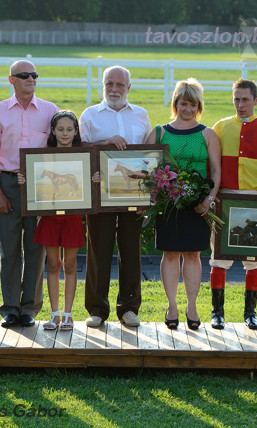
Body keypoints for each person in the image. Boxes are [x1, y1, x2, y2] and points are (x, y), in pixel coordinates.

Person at [0, 60, 59, 328]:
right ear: (11, 79)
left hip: (40, 186)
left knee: (37, 250)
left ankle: (30, 309)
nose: (30, 79)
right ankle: (10, 308)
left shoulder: (50, 111)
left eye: (34, 75)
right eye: (24, 75)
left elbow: (60, 149)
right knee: (9, 250)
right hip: (9, 183)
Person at [143, 78, 221, 330]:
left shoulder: (207, 134)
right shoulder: (159, 132)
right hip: (169, 204)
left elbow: (217, 171)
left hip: (197, 205)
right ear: (175, 103)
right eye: (183, 103)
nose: (187, 108)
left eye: (192, 104)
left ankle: (192, 306)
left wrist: (209, 199)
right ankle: (172, 306)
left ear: (199, 106)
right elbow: (145, 166)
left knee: (193, 254)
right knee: (170, 254)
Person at [209, 78, 257, 330]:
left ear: (256, 100)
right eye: (236, 99)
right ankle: (217, 312)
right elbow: (212, 164)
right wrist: (212, 195)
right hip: (226, 199)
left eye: (245, 100)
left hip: (256, 200)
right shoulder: (220, 127)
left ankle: (250, 313)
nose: (240, 105)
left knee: (253, 259)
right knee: (219, 257)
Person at [79, 66, 151, 328]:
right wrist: (106, 142)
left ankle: (129, 308)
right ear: (103, 85)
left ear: (129, 88)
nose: (114, 89)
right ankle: (97, 309)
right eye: (109, 83)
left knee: (131, 250)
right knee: (98, 249)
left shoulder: (141, 116)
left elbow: (149, 155)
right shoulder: (89, 115)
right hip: (100, 194)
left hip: (133, 194)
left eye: (120, 84)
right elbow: (78, 150)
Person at [17, 111, 100, 330]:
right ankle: (54, 314)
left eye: (69, 129)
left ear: (76, 131)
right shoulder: (42, 156)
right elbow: (34, 183)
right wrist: (25, 178)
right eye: (60, 129)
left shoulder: (85, 155)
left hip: (72, 219)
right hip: (50, 219)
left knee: (70, 266)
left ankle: (68, 314)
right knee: (53, 265)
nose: (65, 133)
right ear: (53, 131)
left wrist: (94, 179)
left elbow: (91, 187)